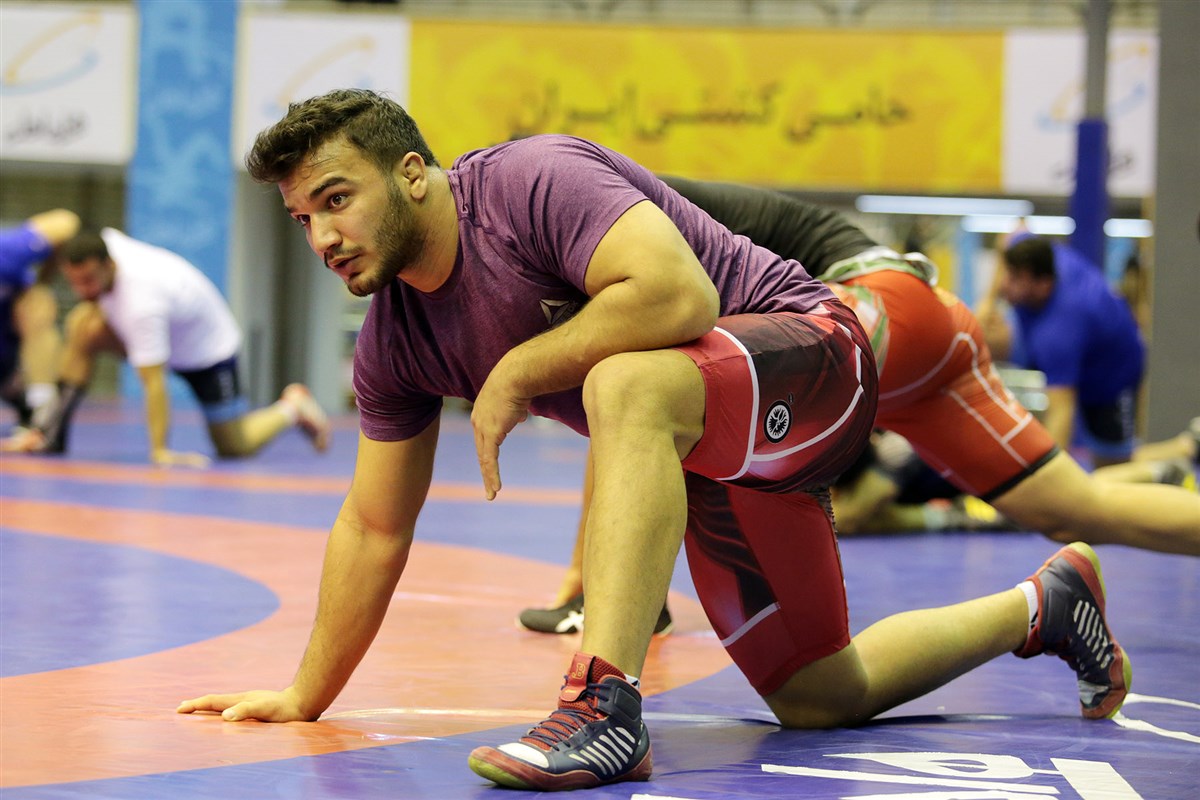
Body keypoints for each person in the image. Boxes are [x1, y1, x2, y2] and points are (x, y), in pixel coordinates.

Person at [176, 90, 1128, 793]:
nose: (322, 236)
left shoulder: (528, 180)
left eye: (336, 200)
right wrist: (306, 692)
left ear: (412, 174)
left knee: (624, 381)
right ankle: (1044, 605)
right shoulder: (395, 342)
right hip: (714, 448)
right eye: (303, 219)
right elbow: (375, 525)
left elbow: (679, 297)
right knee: (817, 693)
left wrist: (515, 371)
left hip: (814, 357)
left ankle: (602, 704)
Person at [518, 180, 1199, 640]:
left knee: (653, 393)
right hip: (921, 328)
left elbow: (629, 401)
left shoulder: (600, 218)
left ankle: (620, 624)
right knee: (1076, 508)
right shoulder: (596, 209)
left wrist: (586, 583)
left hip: (866, 308)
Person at [1, 228, 330, 467]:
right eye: (74, 281)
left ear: (109, 265)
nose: (80, 289)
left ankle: (293, 407)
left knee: (234, 445)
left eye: (88, 280)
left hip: (208, 354)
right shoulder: (105, 243)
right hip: (173, 335)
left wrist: (160, 450)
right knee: (81, 325)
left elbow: (154, 383)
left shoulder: (141, 303)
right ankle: (49, 434)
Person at [998, 235, 1145, 467]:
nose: (1004, 284)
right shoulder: (1044, 255)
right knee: (988, 329)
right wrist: (987, 302)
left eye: (1015, 278)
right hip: (1083, 341)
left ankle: (1182, 451)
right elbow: (1010, 236)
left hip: (1113, 377)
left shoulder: (1059, 334)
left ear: (1043, 286)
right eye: (1008, 272)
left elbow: (1061, 413)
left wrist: (1045, 476)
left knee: (1112, 466)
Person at [0, 208, 80, 430]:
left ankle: (37, 405)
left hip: (9, 328)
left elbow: (66, 221)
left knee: (38, 304)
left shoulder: (9, 254)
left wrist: (45, 279)